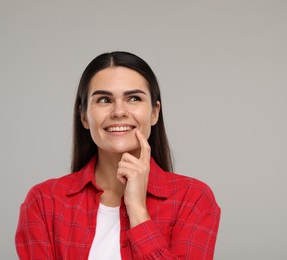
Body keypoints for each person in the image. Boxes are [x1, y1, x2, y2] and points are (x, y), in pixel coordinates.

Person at [15, 51, 221, 259]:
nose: (119, 111)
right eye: (104, 100)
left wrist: (138, 210)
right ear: (84, 117)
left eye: (133, 98)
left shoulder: (193, 199)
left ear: (154, 113)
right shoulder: (43, 201)